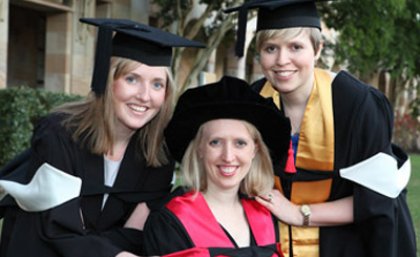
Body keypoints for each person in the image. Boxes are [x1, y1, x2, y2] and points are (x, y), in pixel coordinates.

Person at [224, 1, 417, 257]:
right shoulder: (251, 102)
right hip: (269, 245)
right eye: (271, 48)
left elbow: (378, 200)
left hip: (345, 246)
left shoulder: (356, 105)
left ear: (317, 49)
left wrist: (299, 213)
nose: (282, 60)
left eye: (296, 47)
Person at [0, 18, 204, 257]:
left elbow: (138, 234)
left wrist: (88, 240)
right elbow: (56, 229)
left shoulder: (157, 153)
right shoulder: (59, 134)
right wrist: (114, 251)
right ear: (107, 81)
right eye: (131, 79)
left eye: (157, 85)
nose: (145, 96)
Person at [142, 76, 291, 257]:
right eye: (215, 142)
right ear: (199, 149)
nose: (228, 156)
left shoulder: (265, 215)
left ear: (255, 150)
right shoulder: (171, 221)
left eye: (240, 143)